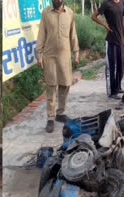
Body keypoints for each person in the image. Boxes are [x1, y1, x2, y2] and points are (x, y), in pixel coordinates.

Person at [36, 0, 80, 133]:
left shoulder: (70, 13)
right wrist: (40, 55)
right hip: (50, 56)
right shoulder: (46, 13)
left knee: (65, 84)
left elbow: (73, 35)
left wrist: (76, 52)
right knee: (51, 86)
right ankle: (50, 117)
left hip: (65, 55)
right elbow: (41, 35)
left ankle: (60, 113)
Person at [91, 0, 124, 99]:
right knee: (112, 67)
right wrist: (104, 25)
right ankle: (112, 92)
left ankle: (118, 87)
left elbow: (123, 23)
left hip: (121, 40)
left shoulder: (123, 3)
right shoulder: (107, 3)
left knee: (121, 66)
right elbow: (93, 16)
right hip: (111, 40)